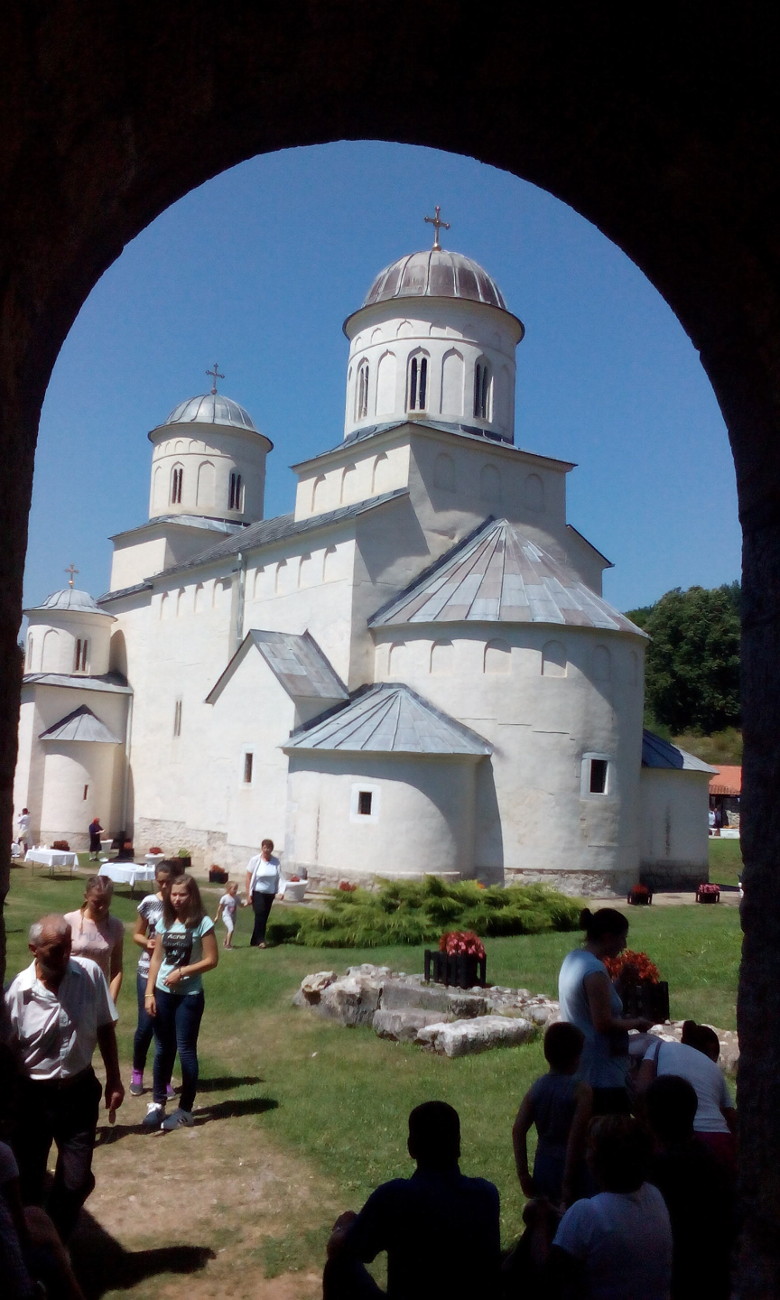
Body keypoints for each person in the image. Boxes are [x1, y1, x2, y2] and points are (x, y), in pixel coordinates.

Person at [4, 915, 124, 1240]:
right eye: (56, 950)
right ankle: (39, 1251)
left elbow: (104, 1026)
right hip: (32, 1099)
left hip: (79, 1092)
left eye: (68, 947)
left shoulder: (89, 975)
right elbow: (6, 1054)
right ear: (34, 949)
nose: (65, 956)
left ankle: (54, 1238)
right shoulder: (17, 993)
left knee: (75, 1181)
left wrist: (114, 1078)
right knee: (28, 1182)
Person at [323, 1101, 500, 1300]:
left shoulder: (395, 1197)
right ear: (458, 1145)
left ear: (411, 1147)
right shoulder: (486, 1195)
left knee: (337, 1267)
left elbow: (345, 1249)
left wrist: (343, 1228)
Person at [550, 1114, 672, 1299]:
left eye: (590, 1148)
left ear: (597, 1159)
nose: (585, 1154)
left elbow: (554, 1278)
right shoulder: (654, 1195)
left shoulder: (586, 1212)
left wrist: (540, 1222)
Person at [644, 1075, 734, 1299]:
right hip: (713, 1274)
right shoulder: (711, 1160)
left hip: (677, 1277)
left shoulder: (657, 1170)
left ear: (652, 1117)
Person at [558, 908, 653, 1114]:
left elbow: (597, 1001)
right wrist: (638, 1022)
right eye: (622, 938)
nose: (624, 945)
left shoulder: (574, 959)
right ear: (608, 937)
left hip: (583, 1066)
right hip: (601, 1074)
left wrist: (621, 982)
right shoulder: (594, 970)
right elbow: (603, 1023)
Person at [143, 873, 218, 1131]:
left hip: (189, 996)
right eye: (173, 894)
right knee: (162, 1047)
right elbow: (156, 959)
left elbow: (211, 960)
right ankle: (157, 1103)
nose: (176, 899)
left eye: (182, 894)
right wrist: (149, 992)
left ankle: (185, 1111)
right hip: (163, 992)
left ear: (192, 895)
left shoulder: (202, 923)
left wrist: (183, 972)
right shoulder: (165, 920)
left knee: (185, 1050)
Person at [636, 1021, 737, 1175]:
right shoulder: (713, 1068)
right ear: (712, 1051)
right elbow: (730, 1115)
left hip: (672, 1138)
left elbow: (642, 1090)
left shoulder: (659, 1047)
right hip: (718, 1139)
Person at [513, 1021, 592, 1207]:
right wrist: (567, 1181)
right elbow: (576, 1138)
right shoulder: (582, 1092)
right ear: (575, 1057)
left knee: (545, 1218)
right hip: (574, 1166)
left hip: (544, 1163)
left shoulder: (538, 1087)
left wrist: (524, 1175)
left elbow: (518, 1129)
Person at [129, 861, 176, 1096]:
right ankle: (137, 1071)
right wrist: (145, 942)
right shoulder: (149, 902)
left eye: (168, 881)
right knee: (146, 1025)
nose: (164, 885)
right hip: (147, 969)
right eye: (161, 881)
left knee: (166, 1029)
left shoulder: (181, 903)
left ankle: (164, 1079)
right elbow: (136, 933)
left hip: (171, 974)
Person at [63, 874, 124, 1002]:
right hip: (69, 991)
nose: (101, 907)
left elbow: (116, 969)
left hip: (97, 994)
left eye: (106, 902)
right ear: (86, 896)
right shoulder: (69, 921)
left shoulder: (116, 926)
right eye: (96, 902)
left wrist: (111, 1001)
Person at [245, 838, 281, 948]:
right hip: (257, 891)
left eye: (269, 848)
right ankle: (261, 940)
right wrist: (248, 894)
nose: (267, 850)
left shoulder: (276, 862)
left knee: (264, 916)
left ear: (272, 849)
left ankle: (254, 940)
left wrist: (280, 891)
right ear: (262, 848)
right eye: (265, 847)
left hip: (270, 893)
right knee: (259, 913)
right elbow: (248, 877)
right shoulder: (255, 860)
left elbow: (279, 877)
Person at [215, 880, 239, 948]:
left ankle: (225, 941)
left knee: (229, 929)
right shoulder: (224, 898)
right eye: (234, 889)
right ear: (229, 889)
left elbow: (241, 905)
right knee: (231, 929)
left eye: (236, 889)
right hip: (226, 916)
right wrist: (217, 916)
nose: (235, 890)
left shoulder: (236, 897)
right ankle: (227, 945)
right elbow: (220, 907)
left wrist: (248, 903)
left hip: (233, 916)